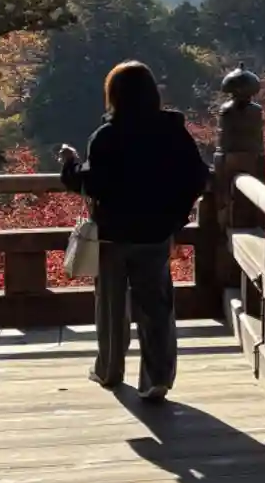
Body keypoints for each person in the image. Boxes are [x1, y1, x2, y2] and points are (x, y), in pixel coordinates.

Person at [59, 62, 210, 402]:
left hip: (113, 234)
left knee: (111, 306)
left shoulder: (106, 136)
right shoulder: (173, 132)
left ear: (113, 95)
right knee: (156, 306)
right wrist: (176, 218)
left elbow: (92, 183)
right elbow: (197, 177)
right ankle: (157, 378)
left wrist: (70, 164)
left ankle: (109, 370)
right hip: (156, 232)